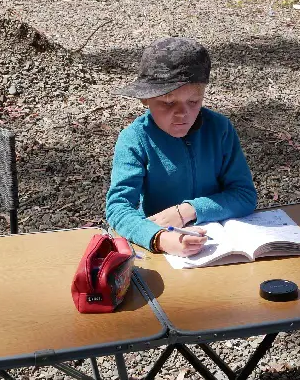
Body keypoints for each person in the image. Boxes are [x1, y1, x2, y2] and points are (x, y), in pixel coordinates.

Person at [106, 37, 257, 257]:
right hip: (163, 248)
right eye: (168, 103)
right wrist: (160, 238)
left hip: (220, 245)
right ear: (145, 99)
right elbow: (118, 208)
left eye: (193, 102)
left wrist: (188, 210)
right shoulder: (135, 139)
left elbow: (244, 195)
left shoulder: (220, 129)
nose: (183, 114)